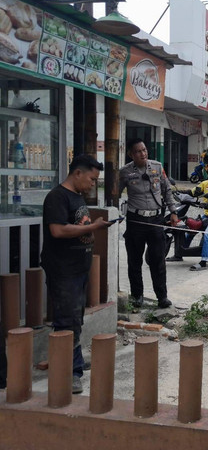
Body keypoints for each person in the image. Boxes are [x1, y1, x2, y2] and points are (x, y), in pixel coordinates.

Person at [41, 154, 114, 394]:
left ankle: (73, 361)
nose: (93, 184)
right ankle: (71, 373)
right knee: (67, 321)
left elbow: (79, 227)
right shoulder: (57, 197)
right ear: (78, 173)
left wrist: (91, 231)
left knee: (75, 319)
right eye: (92, 179)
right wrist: (93, 227)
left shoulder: (77, 197)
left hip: (78, 270)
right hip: (63, 270)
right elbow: (58, 230)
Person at [119, 138, 178, 309]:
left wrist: (173, 212)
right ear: (131, 154)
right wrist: (116, 213)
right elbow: (115, 194)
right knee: (134, 260)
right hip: (136, 220)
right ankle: (137, 296)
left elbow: (167, 190)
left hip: (155, 220)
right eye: (138, 151)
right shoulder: (125, 172)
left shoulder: (157, 167)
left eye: (144, 150)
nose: (142, 153)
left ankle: (162, 297)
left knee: (158, 259)